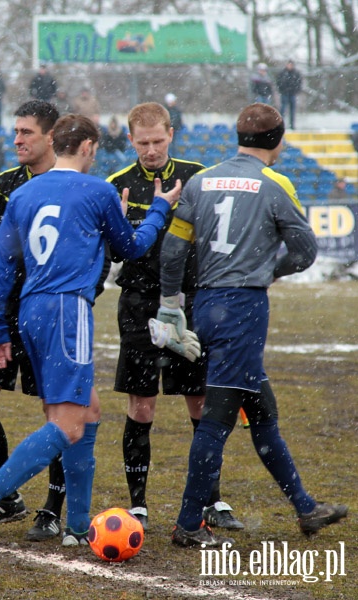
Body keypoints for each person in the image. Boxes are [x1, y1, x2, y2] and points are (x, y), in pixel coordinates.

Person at [0, 114, 178, 553]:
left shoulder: (21, 194)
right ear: (91, 148)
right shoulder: (97, 190)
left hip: (30, 311)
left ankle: (77, 526)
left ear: (56, 144)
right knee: (69, 422)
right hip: (67, 309)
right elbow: (131, 248)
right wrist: (159, 208)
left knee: (88, 411)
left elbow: (1, 269)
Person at [160, 103, 347, 548]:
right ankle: (189, 525)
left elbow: (171, 252)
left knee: (262, 411)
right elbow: (304, 253)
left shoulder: (201, 181)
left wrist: (170, 303)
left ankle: (306, 508)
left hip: (205, 302)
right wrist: (270, 270)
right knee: (217, 420)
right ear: (278, 139)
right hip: (242, 309)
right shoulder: (274, 185)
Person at [0, 101, 98, 544]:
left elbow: (98, 256)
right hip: (5, 312)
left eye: (26, 132)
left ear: (53, 137)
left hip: (52, 311)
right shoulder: (7, 183)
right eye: (15, 132)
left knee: (62, 411)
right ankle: (3, 493)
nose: (17, 140)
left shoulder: (80, 187)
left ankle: (53, 509)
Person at [107, 102, 242, 532]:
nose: (151, 150)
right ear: (130, 140)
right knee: (141, 406)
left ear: (171, 134)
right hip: (139, 305)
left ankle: (211, 501)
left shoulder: (199, 177)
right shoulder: (116, 185)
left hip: (192, 302)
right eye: (143, 143)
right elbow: (111, 252)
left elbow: (219, 239)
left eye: (158, 141)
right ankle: (139, 506)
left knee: (200, 404)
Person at [276, 60, 302, 130]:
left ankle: (292, 125)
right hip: (284, 93)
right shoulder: (283, 73)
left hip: (292, 93)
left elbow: (299, 82)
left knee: (292, 110)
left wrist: (295, 90)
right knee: (283, 109)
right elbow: (279, 82)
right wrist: (282, 90)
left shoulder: (295, 73)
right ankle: (281, 124)